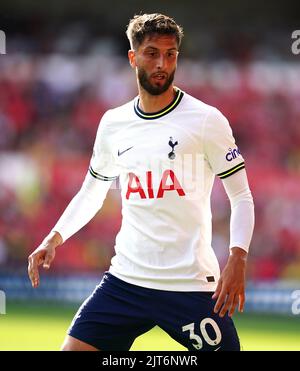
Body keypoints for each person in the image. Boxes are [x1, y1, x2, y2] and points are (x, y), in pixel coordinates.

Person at [28, 13, 254, 351]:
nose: (162, 63)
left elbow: (242, 197)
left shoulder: (206, 120)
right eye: (152, 53)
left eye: (171, 53)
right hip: (126, 281)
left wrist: (238, 257)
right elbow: (93, 191)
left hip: (188, 284)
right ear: (133, 57)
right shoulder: (113, 123)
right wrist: (54, 236)